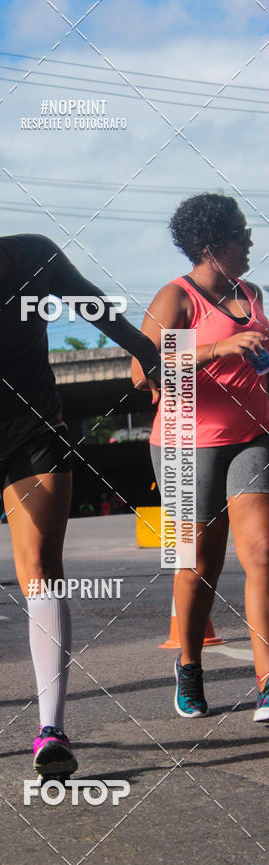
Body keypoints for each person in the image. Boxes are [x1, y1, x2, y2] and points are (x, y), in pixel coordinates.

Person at [0, 177, 161, 778]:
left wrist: (145, 350)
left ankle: (52, 730)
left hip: (35, 434)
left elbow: (93, 305)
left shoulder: (35, 253)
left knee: (41, 570)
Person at [132, 192, 269, 722]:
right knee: (197, 566)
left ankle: (266, 684)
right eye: (240, 233)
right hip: (185, 444)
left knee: (262, 554)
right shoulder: (176, 297)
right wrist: (217, 349)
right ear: (211, 245)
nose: (250, 240)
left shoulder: (253, 293)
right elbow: (141, 372)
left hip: (254, 436)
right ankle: (189, 664)